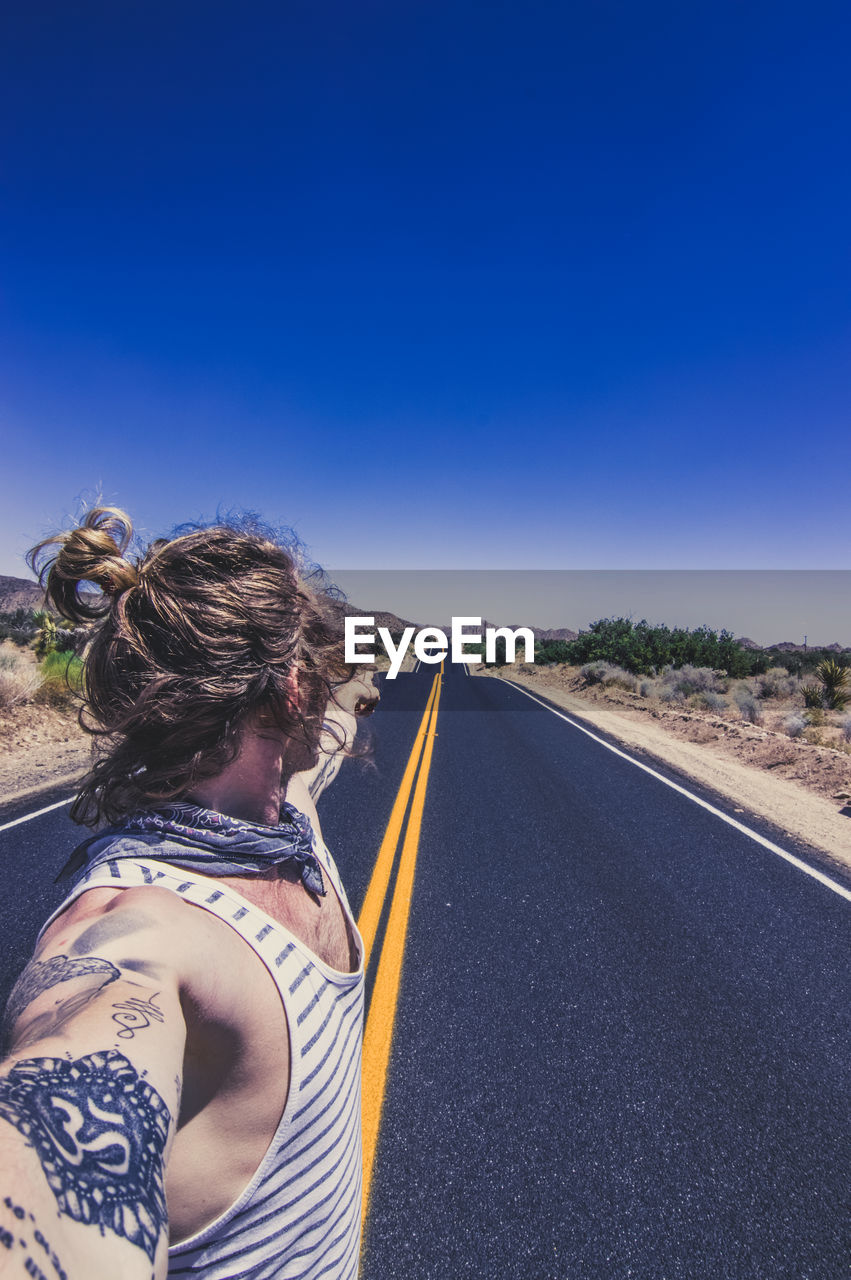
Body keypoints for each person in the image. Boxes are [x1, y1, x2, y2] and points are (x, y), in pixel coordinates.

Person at [0, 507, 377, 1280]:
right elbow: (52, 1126)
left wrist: (360, 687)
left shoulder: (284, 818)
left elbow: (324, 740)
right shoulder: (137, 934)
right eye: (317, 660)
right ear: (292, 687)